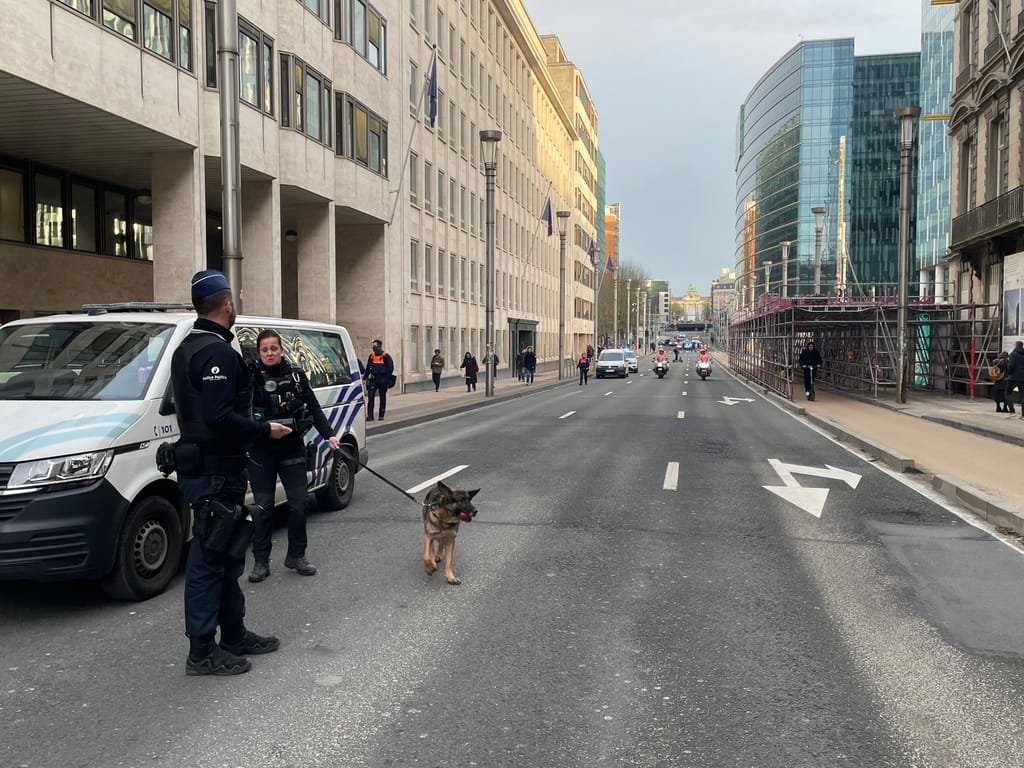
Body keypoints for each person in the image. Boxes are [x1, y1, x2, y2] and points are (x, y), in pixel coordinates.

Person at [171, 269, 291, 676]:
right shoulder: (217, 352)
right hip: (214, 473)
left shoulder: (187, 347)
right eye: (233, 302)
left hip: (210, 469)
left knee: (224, 557)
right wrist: (264, 430)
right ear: (227, 304)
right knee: (208, 561)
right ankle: (202, 652)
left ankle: (234, 634)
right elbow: (219, 416)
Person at [247, 329, 341, 583]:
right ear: (259, 351)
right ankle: (260, 561)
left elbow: (312, 405)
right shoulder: (250, 377)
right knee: (262, 508)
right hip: (261, 451)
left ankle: (296, 555)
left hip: (292, 448)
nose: (269, 353)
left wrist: (329, 435)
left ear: (281, 350)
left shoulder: (297, 376)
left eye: (274, 348)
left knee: (299, 503)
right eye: (265, 349)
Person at [364, 339, 394, 421]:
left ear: (380, 346)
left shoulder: (386, 356)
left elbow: (390, 369)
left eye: (375, 346)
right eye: (373, 346)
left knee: (382, 397)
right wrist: (364, 378)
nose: (374, 348)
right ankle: (370, 416)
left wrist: (386, 380)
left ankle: (381, 415)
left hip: (383, 380)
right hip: (374, 379)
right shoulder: (371, 356)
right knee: (370, 397)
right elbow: (368, 368)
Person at [1006, 340, 1024, 419]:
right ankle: (1023, 415)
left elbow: (1011, 366)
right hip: (1023, 378)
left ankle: (1012, 411)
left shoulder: (1013, 354)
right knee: (1023, 395)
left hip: (1013, 377)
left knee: (1007, 392)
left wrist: (1008, 374)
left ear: (1016, 346)